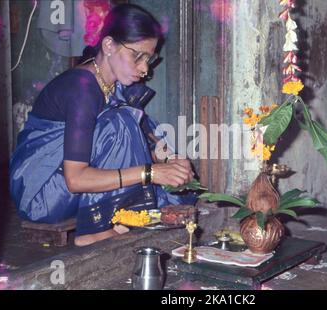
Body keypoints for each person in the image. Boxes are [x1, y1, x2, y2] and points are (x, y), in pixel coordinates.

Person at [10, 4, 197, 247]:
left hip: (65, 189)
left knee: (125, 121)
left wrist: (166, 165)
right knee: (120, 122)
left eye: (149, 58)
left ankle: (114, 218)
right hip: (41, 196)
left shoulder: (110, 85)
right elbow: (75, 179)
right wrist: (151, 173)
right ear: (109, 46)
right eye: (137, 56)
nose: (145, 68)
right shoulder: (82, 89)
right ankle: (94, 231)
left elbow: (107, 151)